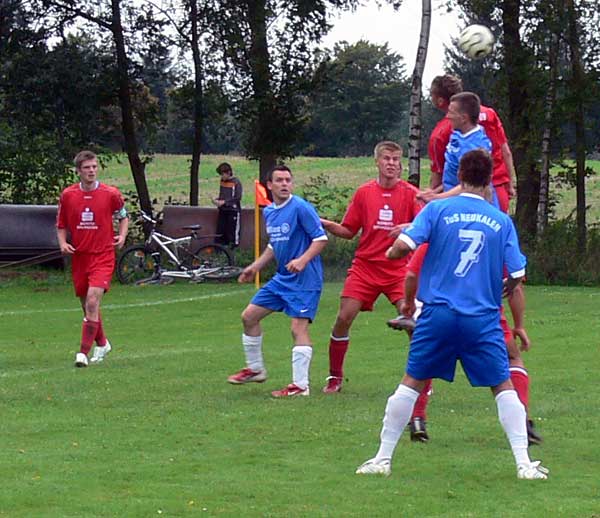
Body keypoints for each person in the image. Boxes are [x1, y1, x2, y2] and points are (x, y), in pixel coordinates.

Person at [355, 149, 549, 480]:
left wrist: (390, 252)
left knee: (411, 381)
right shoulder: (501, 221)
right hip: (482, 319)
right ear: (489, 180)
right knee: (502, 385)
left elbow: (403, 247)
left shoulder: (437, 210)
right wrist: (507, 284)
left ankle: (382, 459)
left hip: (439, 314)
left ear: (459, 176)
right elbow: (517, 272)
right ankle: (524, 464)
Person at [319, 141, 422, 394]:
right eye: (386, 158)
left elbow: (425, 227)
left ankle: (421, 380)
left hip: (398, 268)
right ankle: (334, 377)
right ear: (377, 161)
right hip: (365, 268)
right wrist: (324, 223)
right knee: (343, 317)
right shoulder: (364, 193)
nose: (391, 164)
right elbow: (348, 230)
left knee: (414, 322)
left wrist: (407, 227)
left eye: (396, 159)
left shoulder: (410, 193)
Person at [227, 165, 327, 397]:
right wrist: (256, 266)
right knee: (249, 317)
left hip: (305, 279)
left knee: (297, 328)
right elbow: (274, 244)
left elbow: (320, 239)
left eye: (288, 180)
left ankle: (300, 386)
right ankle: (255, 369)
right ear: (270, 185)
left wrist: (302, 260)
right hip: (282, 279)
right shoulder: (270, 211)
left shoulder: (301, 207)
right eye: (279, 180)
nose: (284, 184)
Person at [56, 150, 129, 367]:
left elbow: (124, 216)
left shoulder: (110, 194)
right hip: (80, 257)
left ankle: (82, 353)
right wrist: (63, 243)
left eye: (94, 167)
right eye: (87, 167)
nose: (92, 171)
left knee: (92, 301)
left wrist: (122, 235)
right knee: (87, 305)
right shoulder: (68, 195)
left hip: (103, 255)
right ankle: (103, 343)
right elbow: (61, 224)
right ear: (78, 171)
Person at [423, 74, 516, 213]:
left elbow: (470, 184)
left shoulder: (447, 135)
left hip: (473, 202)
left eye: (451, 113)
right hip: (486, 188)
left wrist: (436, 197)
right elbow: (505, 151)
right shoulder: (462, 130)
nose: (448, 116)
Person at [212, 162, 242, 247]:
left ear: (229, 172)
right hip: (223, 210)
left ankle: (232, 248)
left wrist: (225, 202)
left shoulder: (236, 182)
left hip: (233, 210)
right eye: (221, 175)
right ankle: (219, 249)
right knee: (220, 231)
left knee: (231, 232)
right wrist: (217, 200)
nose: (222, 177)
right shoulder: (222, 181)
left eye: (223, 174)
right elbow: (222, 195)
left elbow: (238, 197)